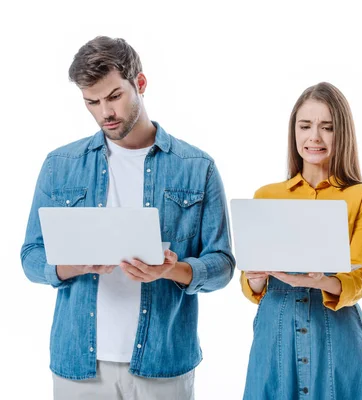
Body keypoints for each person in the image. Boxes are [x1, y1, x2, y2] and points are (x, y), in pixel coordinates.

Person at [20, 36, 235, 400]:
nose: (105, 112)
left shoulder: (197, 168)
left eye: (114, 96)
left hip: (163, 363)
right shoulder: (60, 166)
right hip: (80, 366)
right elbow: (31, 255)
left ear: (140, 84)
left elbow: (223, 265)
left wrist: (172, 269)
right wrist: (71, 265)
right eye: (92, 102)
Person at [240, 82, 362, 399]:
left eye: (327, 127)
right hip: (275, 328)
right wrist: (256, 278)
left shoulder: (361, 196)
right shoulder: (266, 196)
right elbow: (251, 289)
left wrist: (322, 280)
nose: (314, 137)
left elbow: (360, 279)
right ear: (294, 132)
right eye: (305, 126)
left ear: (341, 133)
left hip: (334, 328)